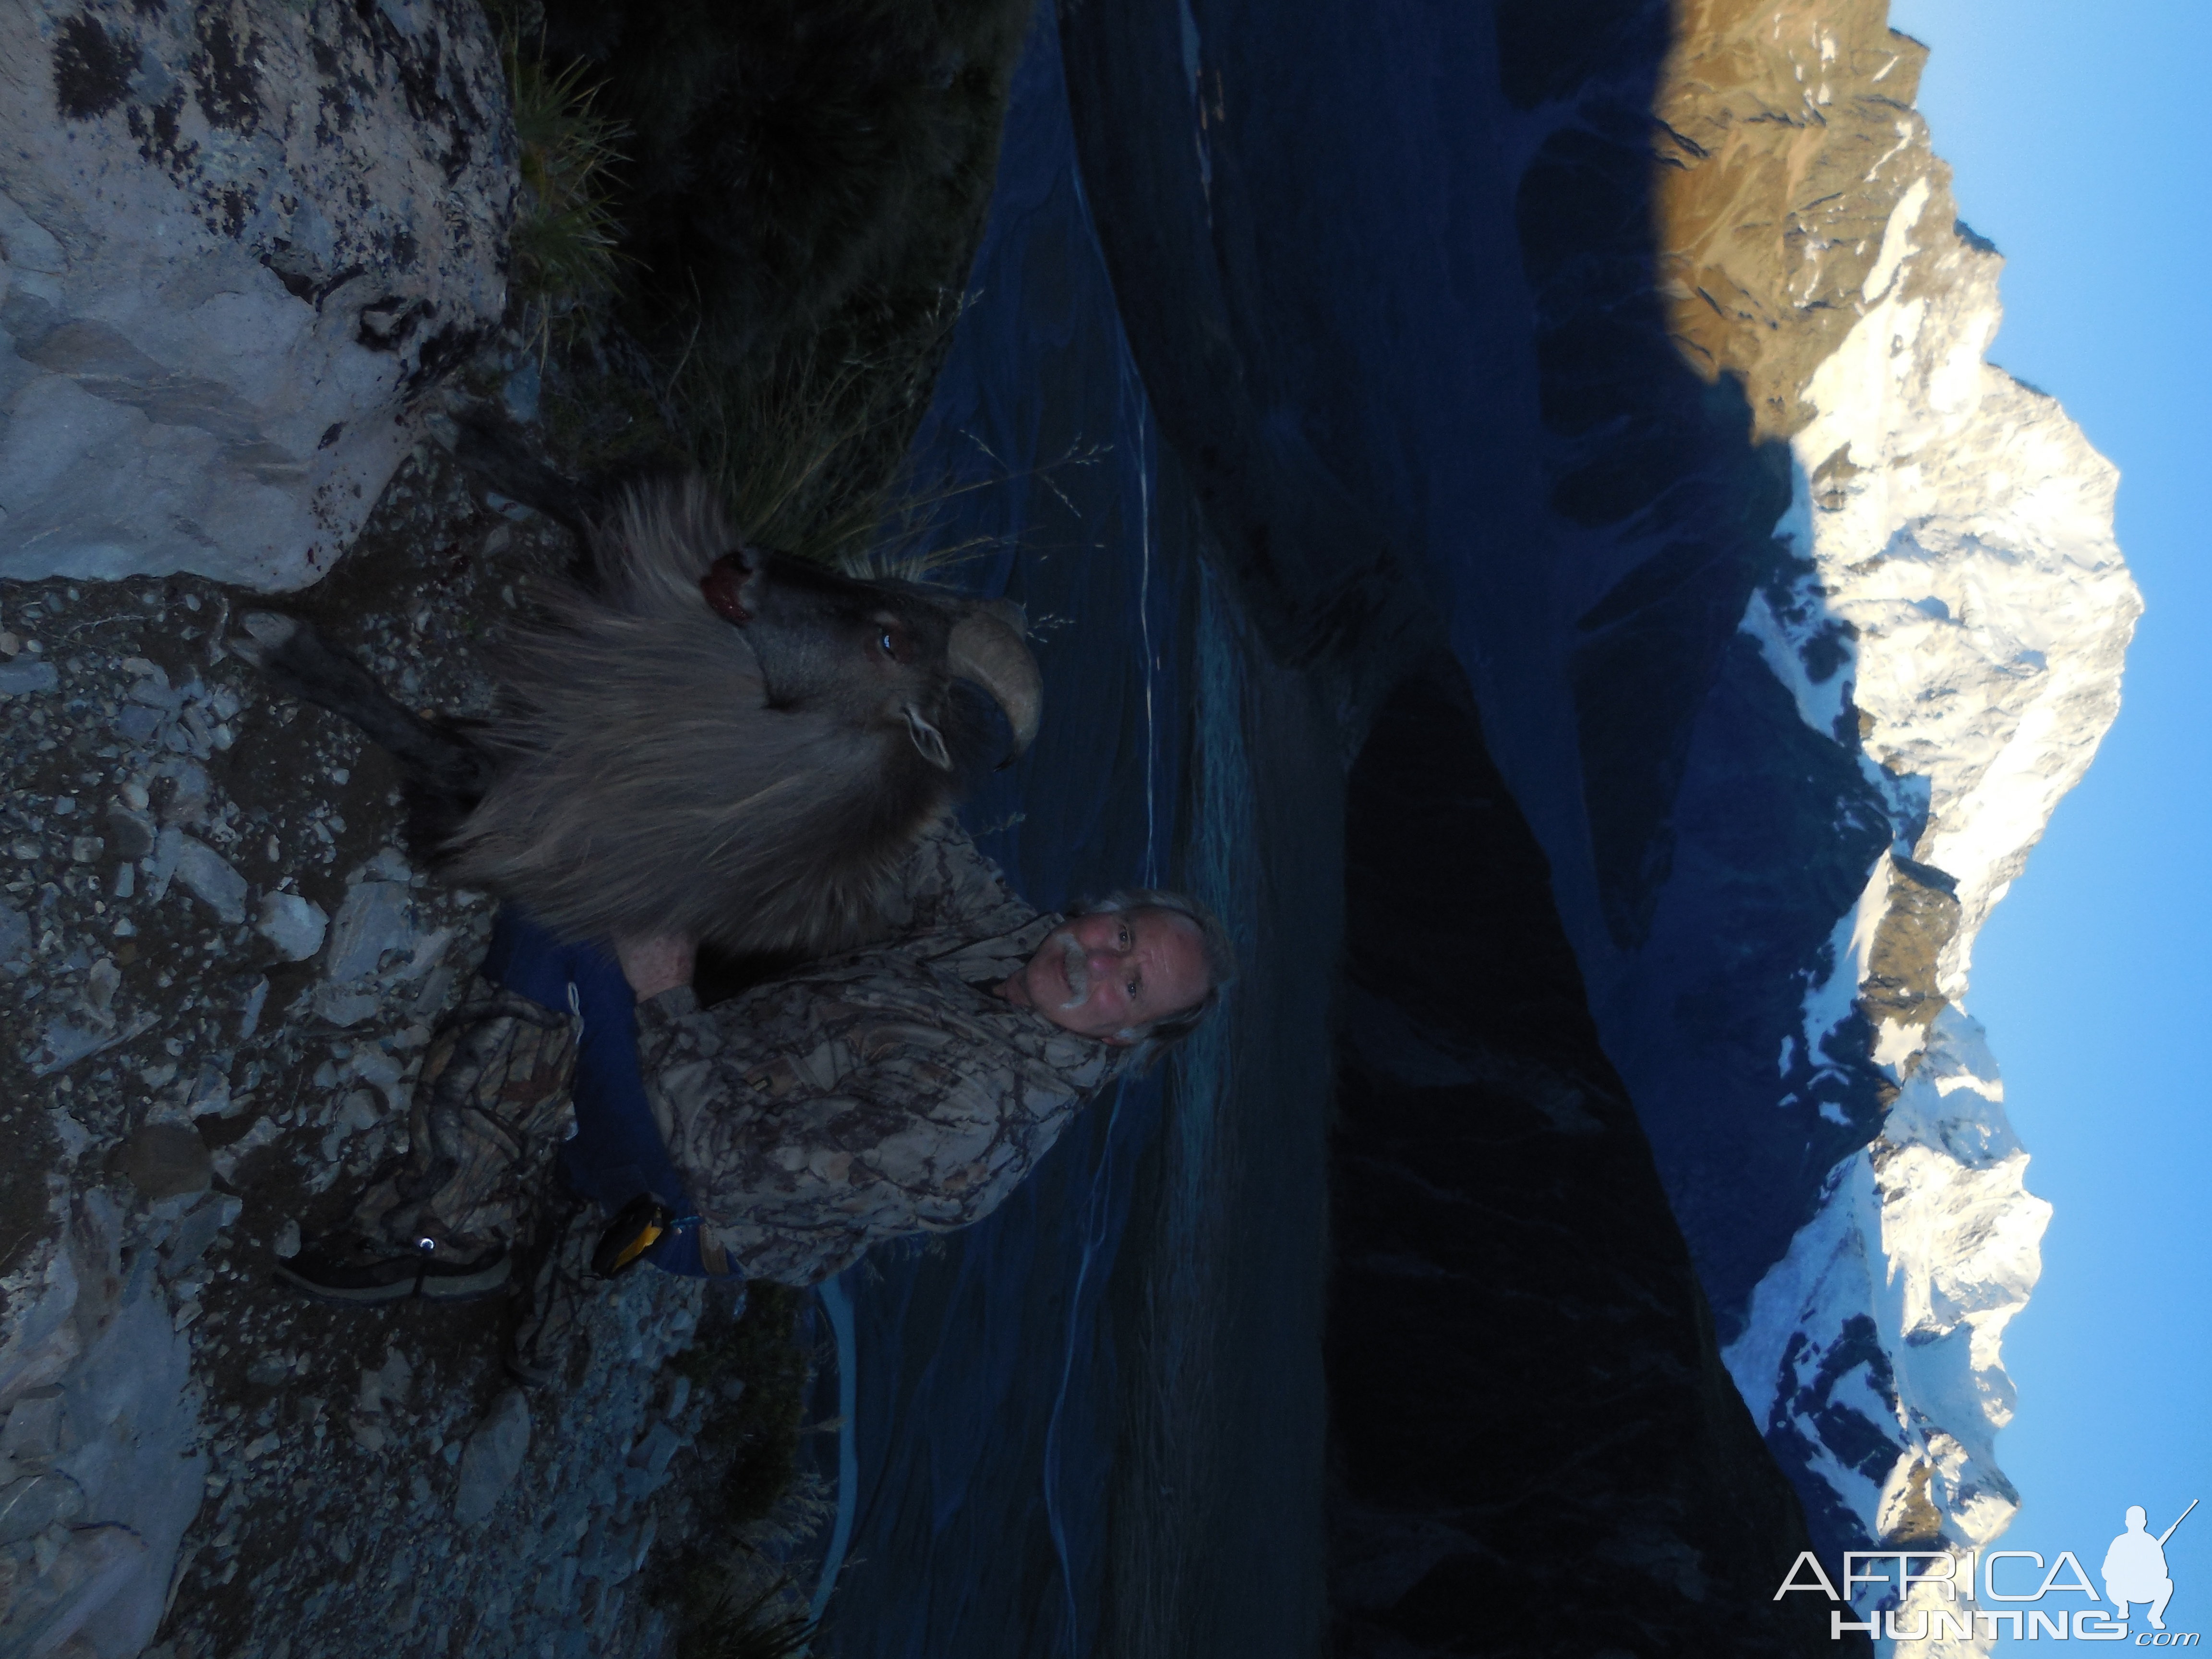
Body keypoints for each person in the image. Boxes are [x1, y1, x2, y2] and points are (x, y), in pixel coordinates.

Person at [278, 816, 1230, 1375]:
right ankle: (553, 1151)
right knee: (661, 844)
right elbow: (909, 840)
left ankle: (452, 1228)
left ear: (1123, 1037)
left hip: (689, 1192)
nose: (1101, 962)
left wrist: (664, 995)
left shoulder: (978, 1120)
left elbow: (725, 1155)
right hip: (725, 1061)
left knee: (568, 914)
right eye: (1121, 935)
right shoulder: (1010, 943)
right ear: (1098, 910)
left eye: (1132, 985)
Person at [2102, 1505, 2176, 1630]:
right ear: (2126, 1522)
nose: (2135, 1523)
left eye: (2138, 1520)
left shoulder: (2151, 1542)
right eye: (2133, 1520)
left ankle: (2155, 1616)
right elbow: (2107, 1570)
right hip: (2123, 1589)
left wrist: (2146, 1572)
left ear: (2145, 1522)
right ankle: (2122, 1606)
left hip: (2146, 1589)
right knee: (2110, 1583)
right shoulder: (2119, 1541)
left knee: (2167, 1584)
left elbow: (2163, 1571)